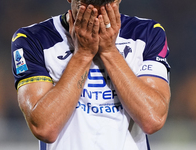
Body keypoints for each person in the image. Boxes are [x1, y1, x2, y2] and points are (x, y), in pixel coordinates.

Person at [11, 0, 171, 149]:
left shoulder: (147, 34)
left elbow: (153, 119)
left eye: (104, 6)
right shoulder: (32, 39)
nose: (95, 18)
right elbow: (45, 128)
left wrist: (109, 51)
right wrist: (83, 55)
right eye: (87, 6)